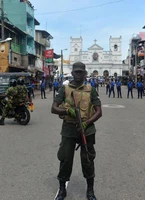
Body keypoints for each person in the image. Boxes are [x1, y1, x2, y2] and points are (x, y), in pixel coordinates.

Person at [51, 62, 102, 200]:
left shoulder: (90, 89)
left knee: (88, 160)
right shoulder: (65, 89)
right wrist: (68, 110)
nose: (79, 74)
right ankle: (62, 190)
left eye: (81, 72)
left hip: (87, 129)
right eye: (76, 72)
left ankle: (90, 191)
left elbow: (99, 111)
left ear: (85, 74)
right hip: (69, 129)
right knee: (65, 159)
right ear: (72, 73)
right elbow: (53, 108)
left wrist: (87, 123)